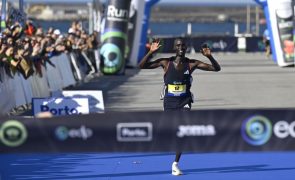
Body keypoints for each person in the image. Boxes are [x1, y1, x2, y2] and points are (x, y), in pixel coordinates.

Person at [138, 37, 221, 176]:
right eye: (178, 45)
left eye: (183, 45)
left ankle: (175, 163)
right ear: (174, 48)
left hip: (185, 101)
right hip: (169, 101)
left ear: (186, 47)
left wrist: (209, 56)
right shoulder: (166, 62)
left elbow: (216, 68)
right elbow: (141, 66)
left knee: (183, 130)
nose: (181, 48)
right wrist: (150, 52)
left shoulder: (192, 64)